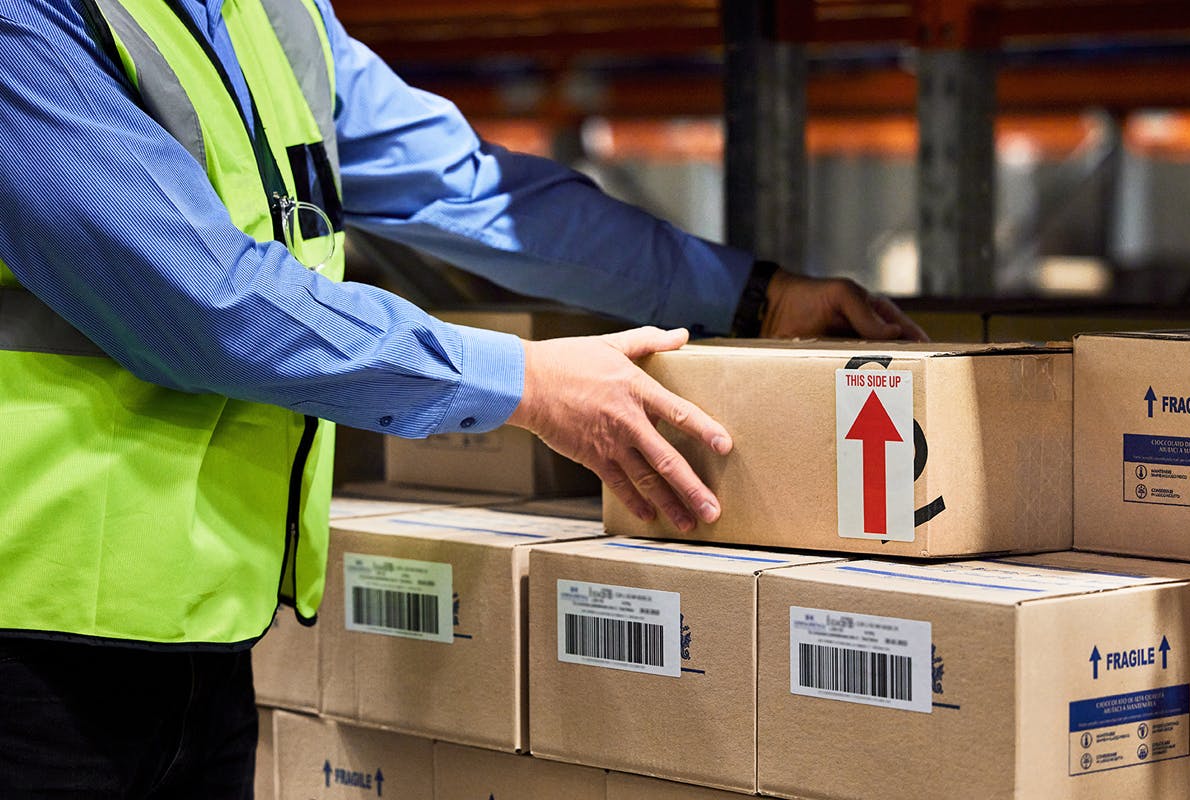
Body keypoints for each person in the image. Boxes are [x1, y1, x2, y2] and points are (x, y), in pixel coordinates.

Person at [0, 0, 926, 796]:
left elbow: (467, 191)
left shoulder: (268, 18)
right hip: (29, 648)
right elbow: (203, 304)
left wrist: (751, 296)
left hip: (204, 631)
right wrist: (520, 381)